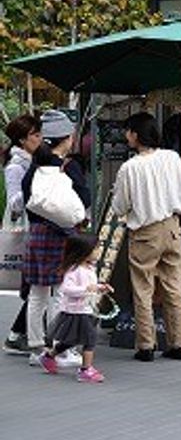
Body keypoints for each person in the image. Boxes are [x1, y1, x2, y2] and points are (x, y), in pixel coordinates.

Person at [112, 112, 181, 362]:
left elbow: (119, 206)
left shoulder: (129, 167)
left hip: (144, 233)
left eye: (128, 131)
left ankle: (146, 346)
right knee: (174, 287)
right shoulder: (172, 158)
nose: (126, 136)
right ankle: (178, 343)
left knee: (143, 289)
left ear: (136, 134)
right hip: (172, 227)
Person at [22, 110, 90, 368]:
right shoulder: (67, 166)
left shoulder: (34, 166)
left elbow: (29, 201)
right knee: (63, 292)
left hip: (37, 232)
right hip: (61, 234)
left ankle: (36, 348)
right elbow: (85, 200)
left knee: (38, 294)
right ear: (68, 138)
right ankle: (60, 348)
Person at [36, 234, 112, 383]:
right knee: (90, 339)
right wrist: (87, 289)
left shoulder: (89, 268)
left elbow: (90, 287)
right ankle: (85, 370)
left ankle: (49, 356)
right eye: (96, 249)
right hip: (77, 311)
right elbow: (67, 289)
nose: (99, 252)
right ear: (83, 252)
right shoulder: (74, 270)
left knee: (72, 340)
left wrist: (100, 288)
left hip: (87, 309)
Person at [3, 114, 42, 354]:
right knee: (38, 287)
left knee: (38, 287)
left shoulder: (33, 160)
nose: (40, 139)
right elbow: (15, 202)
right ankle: (18, 335)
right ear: (21, 140)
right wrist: (35, 185)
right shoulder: (16, 166)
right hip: (27, 229)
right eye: (35, 135)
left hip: (34, 227)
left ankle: (19, 333)